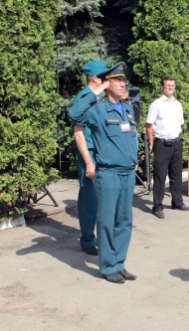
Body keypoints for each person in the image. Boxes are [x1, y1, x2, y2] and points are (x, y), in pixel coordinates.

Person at [69, 62, 138, 284]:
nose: (122, 84)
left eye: (123, 80)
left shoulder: (127, 109)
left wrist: (134, 158)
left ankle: (119, 263)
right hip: (107, 174)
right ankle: (108, 266)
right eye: (117, 80)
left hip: (127, 173)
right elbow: (74, 114)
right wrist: (96, 90)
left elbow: (130, 136)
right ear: (107, 83)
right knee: (107, 221)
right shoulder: (98, 109)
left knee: (125, 221)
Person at [71, 60, 107, 256]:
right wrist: (88, 161)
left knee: (100, 198)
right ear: (95, 78)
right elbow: (78, 133)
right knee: (88, 199)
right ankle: (87, 240)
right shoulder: (83, 98)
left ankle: (99, 237)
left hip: (101, 153)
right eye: (104, 75)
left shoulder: (97, 98)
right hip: (90, 154)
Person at [146, 76, 189, 220]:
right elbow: (149, 125)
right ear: (162, 87)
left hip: (176, 143)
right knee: (160, 176)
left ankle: (177, 202)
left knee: (176, 174)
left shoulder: (178, 104)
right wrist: (151, 142)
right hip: (162, 144)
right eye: (167, 85)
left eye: (172, 85)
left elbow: (179, 124)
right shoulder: (156, 105)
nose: (170, 87)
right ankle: (157, 206)